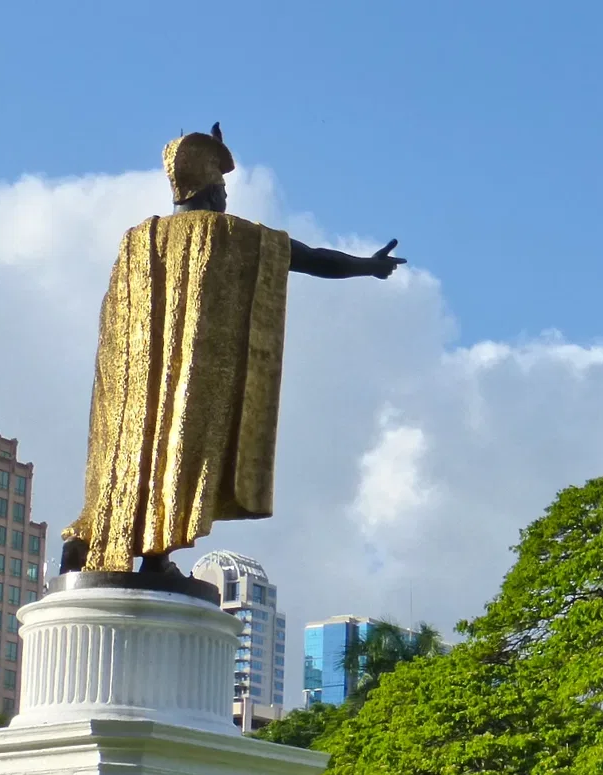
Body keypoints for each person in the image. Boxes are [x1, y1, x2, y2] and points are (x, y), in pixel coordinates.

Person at [62, 124, 405, 575]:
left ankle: (99, 536)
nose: (226, 196)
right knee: (180, 445)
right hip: (193, 378)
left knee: (134, 446)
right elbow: (311, 259)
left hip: (131, 387)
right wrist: (368, 266)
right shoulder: (231, 234)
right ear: (208, 188)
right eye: (222, 186)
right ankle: (155, 553)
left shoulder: (136, 240)